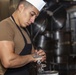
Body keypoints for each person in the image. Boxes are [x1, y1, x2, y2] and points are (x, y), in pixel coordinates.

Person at [0, 0, 46, 75]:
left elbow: (32, 54)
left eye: (35, 17)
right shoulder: (5, 26)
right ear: (21, 7)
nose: (33, 20)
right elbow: (8, 61)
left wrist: (39, 55)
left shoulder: (25, 30)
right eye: (32, 14)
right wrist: (32, 57)